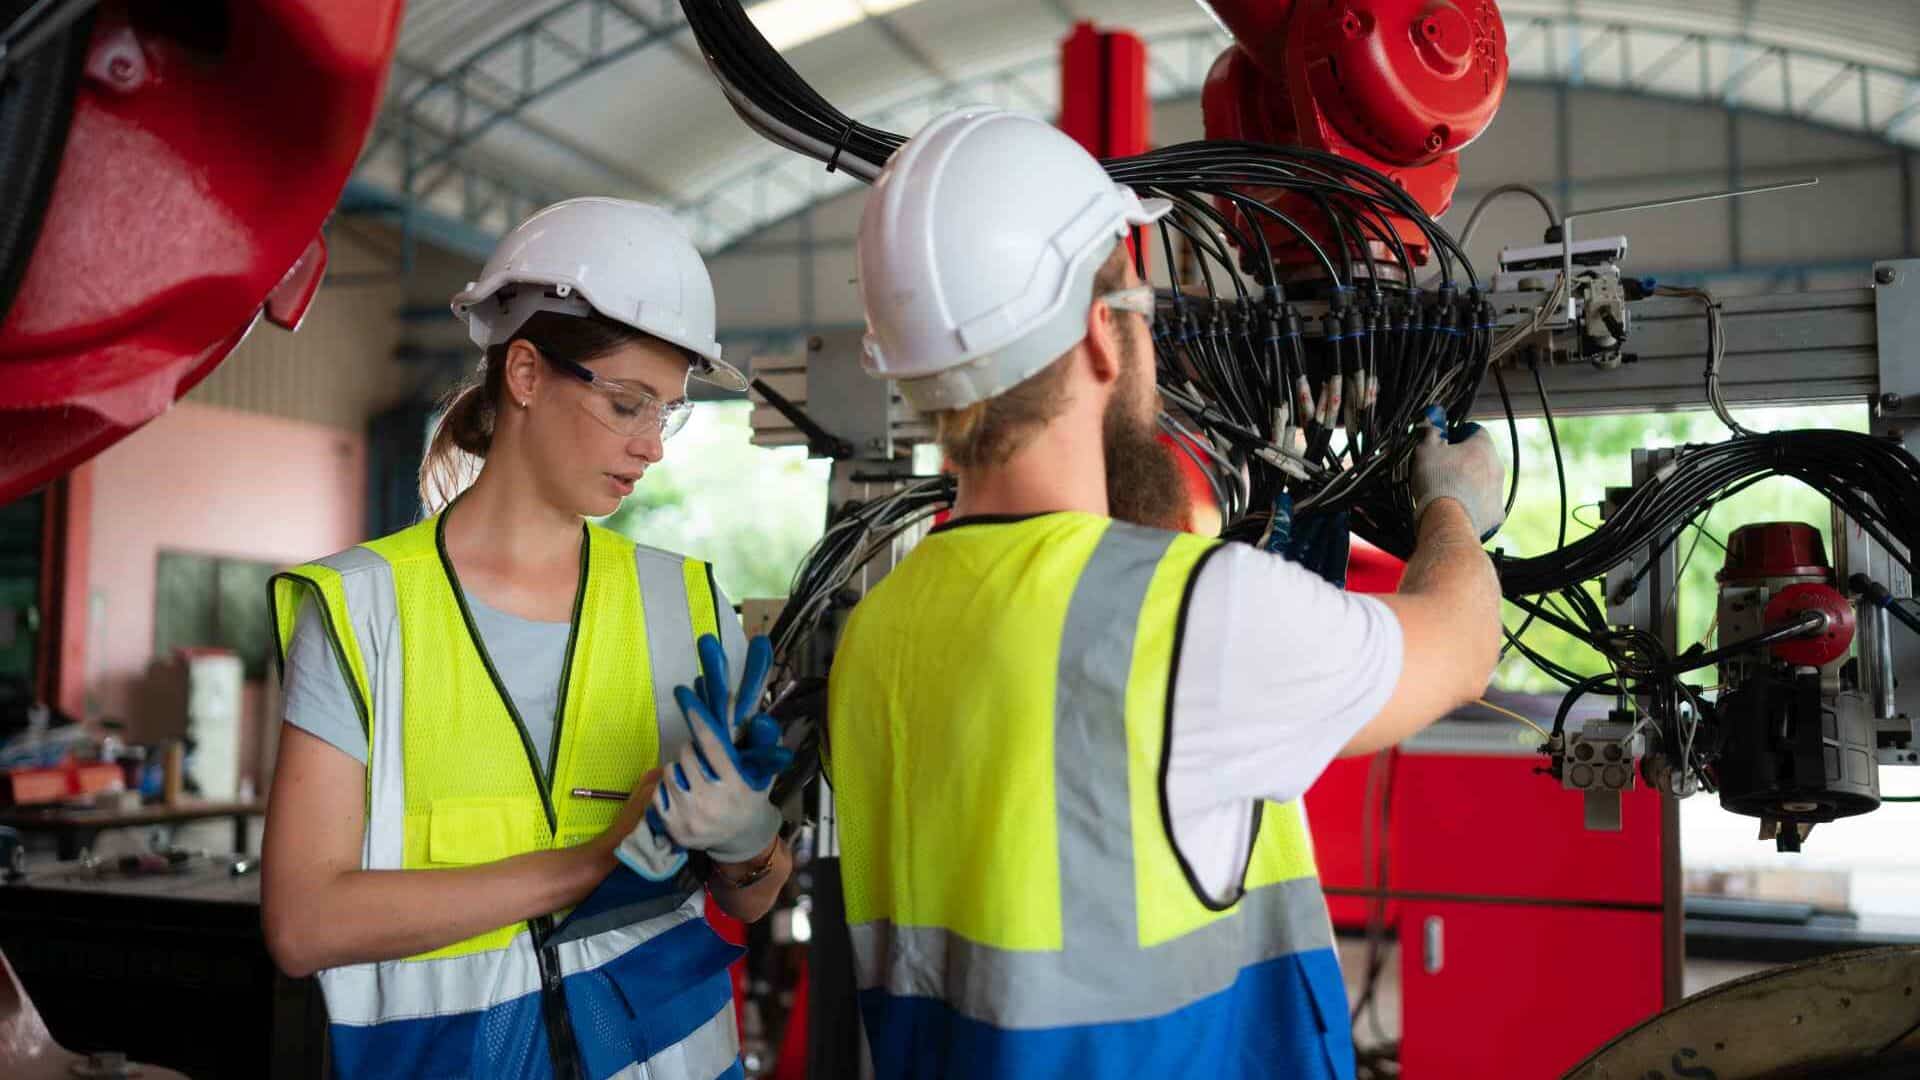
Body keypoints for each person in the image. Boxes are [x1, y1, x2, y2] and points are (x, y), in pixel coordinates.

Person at [826, 108, 1506, 1078]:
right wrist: (1451, 508)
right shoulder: (1192, 615)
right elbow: (1460, 641)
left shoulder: (882, 631)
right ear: (1103, 337)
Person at [260, 197, 793, 1079]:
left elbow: (756, 895)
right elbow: (303, 924)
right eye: (628, 404)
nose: (652, 446)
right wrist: (591, 861)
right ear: (526, 374)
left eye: (668, 412)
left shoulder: (686, 602)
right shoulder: (363, 613)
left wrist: (751, 845)